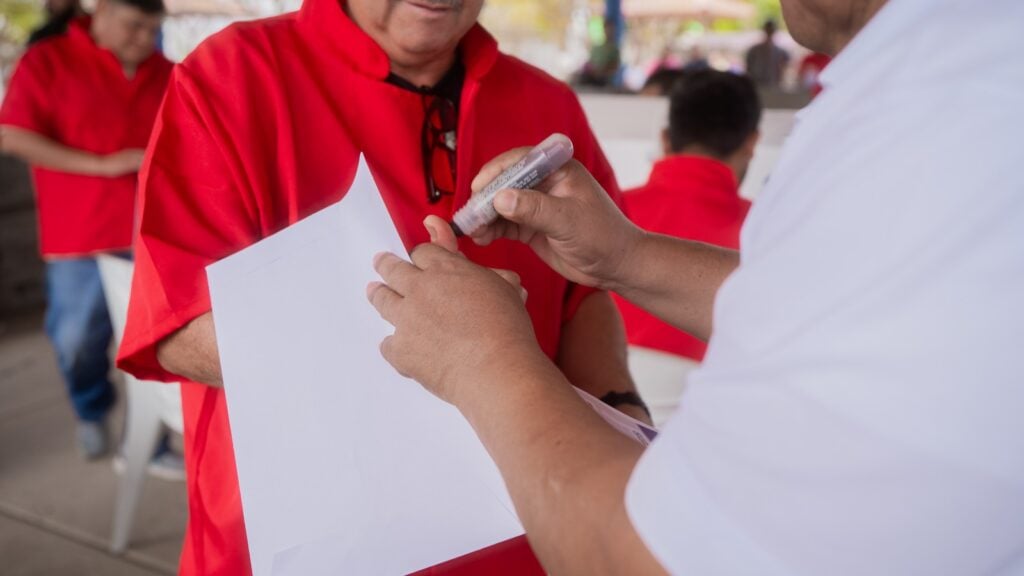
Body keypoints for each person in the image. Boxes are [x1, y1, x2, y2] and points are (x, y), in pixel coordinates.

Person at [368, 0, 1024, 573]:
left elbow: (658, 560)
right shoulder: (934, 78)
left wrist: (484, 363)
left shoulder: (954, 112)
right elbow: (853, 314)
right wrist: (624, 255)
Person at [115, 0, 641, 573]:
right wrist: (429, 338)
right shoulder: (230, 76)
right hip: (311, 537)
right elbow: (176, 327)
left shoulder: (547, 103)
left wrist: (621, 404)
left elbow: (584, 292)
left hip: (531, 528)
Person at [0, 0, 172, 459]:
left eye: (153, 29)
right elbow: (13, 134)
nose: (144, 38)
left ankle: (147, 440)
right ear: (102, 12)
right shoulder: (47, 59)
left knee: (157, 343)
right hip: (77, 233)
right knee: (77, 339)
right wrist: (102, 164)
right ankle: (91, 408)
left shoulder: (167, 71)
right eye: (135, 26)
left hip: (152, 231)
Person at [615, 69, 760, 424]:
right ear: (751, 143)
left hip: (592, 427)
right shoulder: (769, 234)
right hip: (715, 438)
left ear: (665, 139)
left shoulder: (602, 217)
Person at [745, 19, 790, 88]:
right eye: (769, 29)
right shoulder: (754, 50)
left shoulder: (781, 52)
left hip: (773, 84)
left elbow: (784, 69)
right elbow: (748, 68)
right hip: (758, 84)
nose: (769, 32)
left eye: (771, 30)